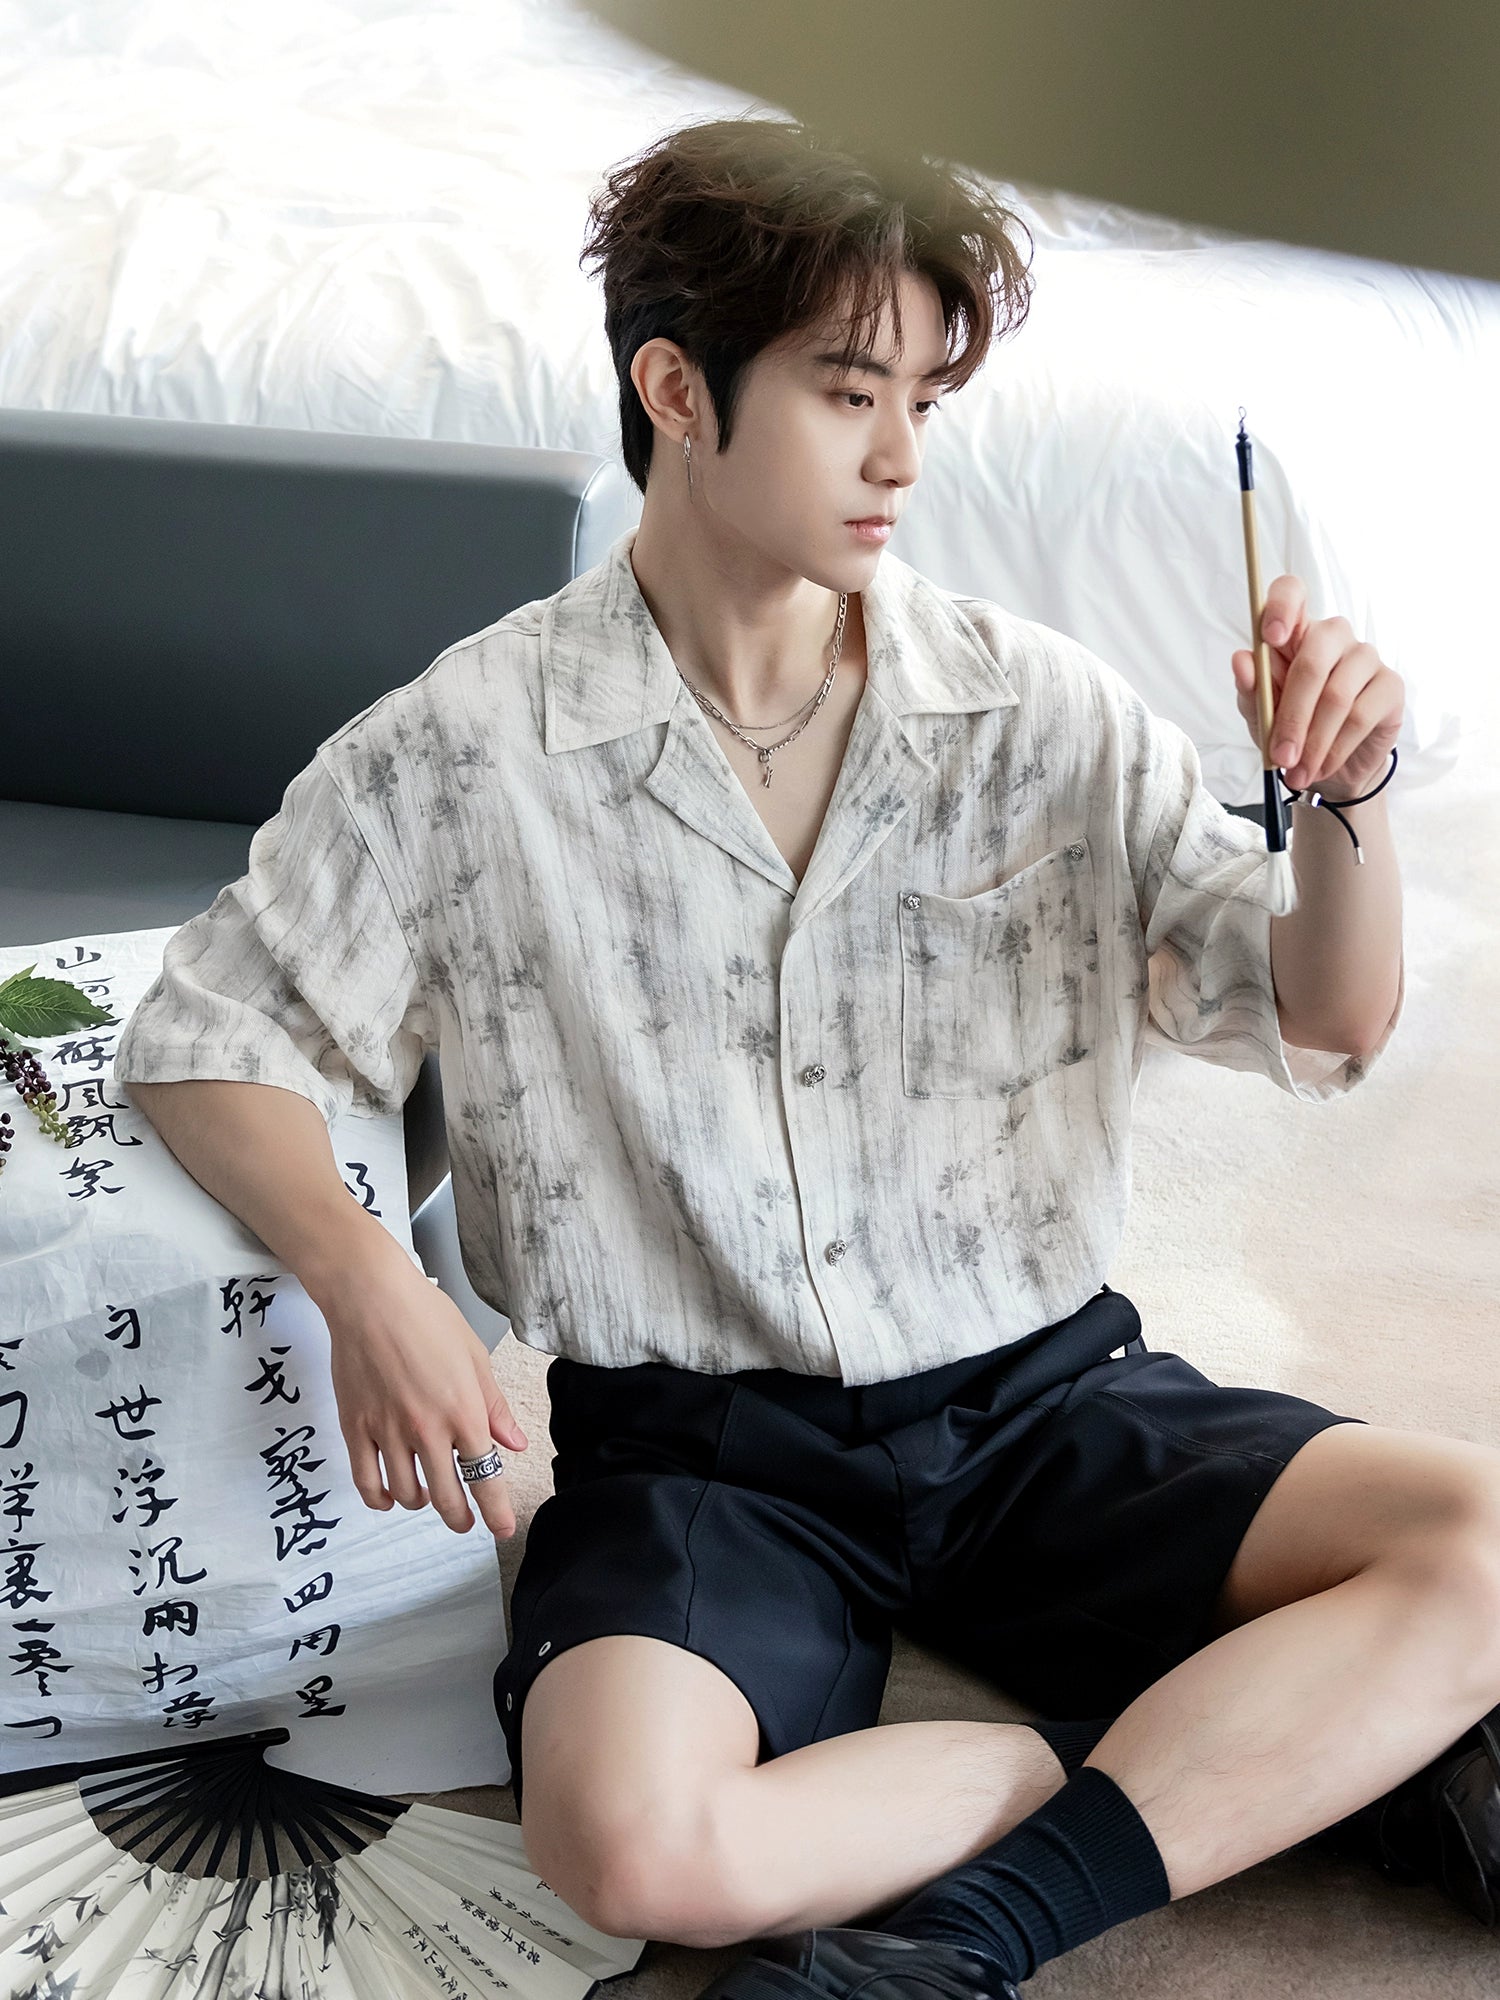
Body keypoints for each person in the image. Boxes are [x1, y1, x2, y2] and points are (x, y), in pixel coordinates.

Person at [115, 115, 1499, 1999]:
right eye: (851, 394)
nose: (902, 456)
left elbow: (1324, 1013)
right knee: (629, 1848)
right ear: (676, 390)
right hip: (702, 1454)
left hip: (1040, 1397)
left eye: (923, 398)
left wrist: (1349, 800)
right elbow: (209, 1036)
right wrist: (370, 1279)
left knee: (1477, 1541)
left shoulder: (1041, 709)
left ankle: (976, 1934)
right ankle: (1173, 1762)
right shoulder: (461, 751)